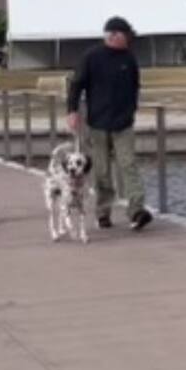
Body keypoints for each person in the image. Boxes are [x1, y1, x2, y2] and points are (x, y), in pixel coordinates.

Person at [66, 16, 153, 230]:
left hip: (123, 124)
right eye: (125, 35)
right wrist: (72, 111)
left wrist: (132, 111)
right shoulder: (92, 57)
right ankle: (103, 211)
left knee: (128, 165)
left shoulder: (129, 58)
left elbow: (135, 87)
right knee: (102, 171)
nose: (128, 39)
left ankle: (137, 211)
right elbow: (76, 85)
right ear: (113, 35)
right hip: (97, 123)